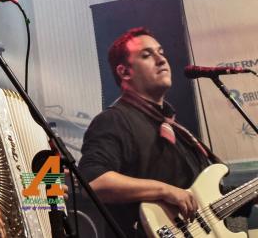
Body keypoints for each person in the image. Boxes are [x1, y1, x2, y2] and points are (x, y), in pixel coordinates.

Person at [78, 27, 247, 237]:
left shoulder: (177, 130)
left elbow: (204, 201)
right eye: (147, 55)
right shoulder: (114, 120)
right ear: (124, 72)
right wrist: (165, 190)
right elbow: (93, 182)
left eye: (161, 52)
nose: (161, 60)